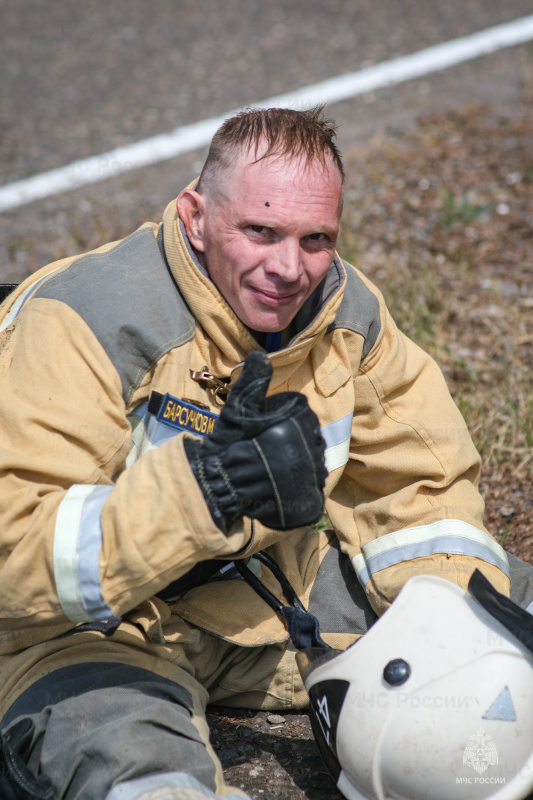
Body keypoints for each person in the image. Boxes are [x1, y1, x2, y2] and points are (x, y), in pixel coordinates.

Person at [0, 106, 531, 800]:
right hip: (80, 635)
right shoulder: (84, 319)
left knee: (502, 606)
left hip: (255, 598)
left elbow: (421, 493)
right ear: (194, 216)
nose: (289, 268)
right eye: (260, 230)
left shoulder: (345, 317)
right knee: (142, 771)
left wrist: (451, 623)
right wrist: (203, 492)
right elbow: (14, 565)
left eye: (316, 239)